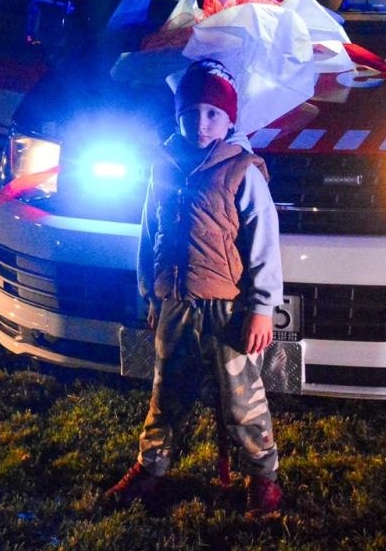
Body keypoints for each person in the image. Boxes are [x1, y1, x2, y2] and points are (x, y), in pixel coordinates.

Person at [106, 59, 286, 517]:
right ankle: (151, 467)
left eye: (212, 114)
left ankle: (263, 477)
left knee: (242, 399)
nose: (201, 124)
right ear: (177, 115)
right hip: (177, 303)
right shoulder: (162, 167)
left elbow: (264, 243)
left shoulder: (241, 170)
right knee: (167, 393)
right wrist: (150, 293)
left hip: (229, 309)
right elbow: (151, 234)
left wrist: (262, 308)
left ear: (229, 119)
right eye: (191, 113)